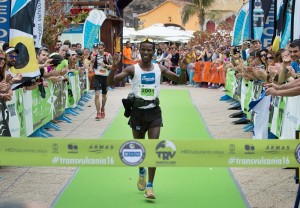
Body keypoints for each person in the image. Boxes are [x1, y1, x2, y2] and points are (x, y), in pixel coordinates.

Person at [108, 38, 186, 199]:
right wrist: (114, 68)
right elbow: (112, 82)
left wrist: (183, 70)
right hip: (137, 113)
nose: (146, 52)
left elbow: (180, 80)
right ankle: (141, 169)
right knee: (139, 148)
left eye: (149, 50)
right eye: (143, 49)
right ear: (139, 50)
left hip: (154, 112)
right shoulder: (132, 69)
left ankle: (150, 186)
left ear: (154, 52)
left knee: (152, 149)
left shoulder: (159, 68)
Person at [92, 41, 113, 120]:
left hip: (105, 77)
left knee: (104, 96)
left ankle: (102, 108)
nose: (100, 50)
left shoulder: (108, 55)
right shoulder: (94, 56)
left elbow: (113, 66)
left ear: (104, 48)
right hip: (97, 76)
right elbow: (90, 62)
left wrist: (106, 65)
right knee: (97, 94)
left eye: (101, 48)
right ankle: (98, 112)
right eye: (98, 48)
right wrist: (90, 66)